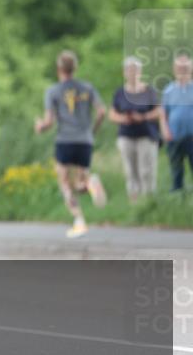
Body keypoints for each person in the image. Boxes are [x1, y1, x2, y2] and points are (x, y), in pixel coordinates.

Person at [34, 50, 107, 238]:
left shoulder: (53, 91)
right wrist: (92, 131)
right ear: (75, 68)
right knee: (80, 183)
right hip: (85, 140)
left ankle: (79, 219)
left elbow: (49, 121)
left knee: (65, 183)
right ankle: (90, 182)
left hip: (65, 140)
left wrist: (40, 127)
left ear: (59, 68)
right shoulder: (88, 88)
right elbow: (101, 112)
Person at [109, 57, 161, 200]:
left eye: (135, 70)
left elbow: (158, 111)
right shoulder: (120, 92)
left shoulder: (149, 91)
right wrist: (124, 119)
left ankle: (149, 200)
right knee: (130, 171)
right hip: (126, 135)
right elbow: (112, 113)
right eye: (129, 70)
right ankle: (134, 202)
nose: (132, 73)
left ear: (140, 71)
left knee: (146, 169)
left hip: (146, 134)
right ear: (124, 72)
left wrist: (143, 117)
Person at [161, 53, 193, 193]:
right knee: (176, 167)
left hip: (191, 134)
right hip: (174, 135)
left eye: (185, 67)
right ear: (174, 70)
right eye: (179, 68)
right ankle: (177, 193)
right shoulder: (168, 91)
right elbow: (163, 114)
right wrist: (165, 130)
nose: (182, 70)